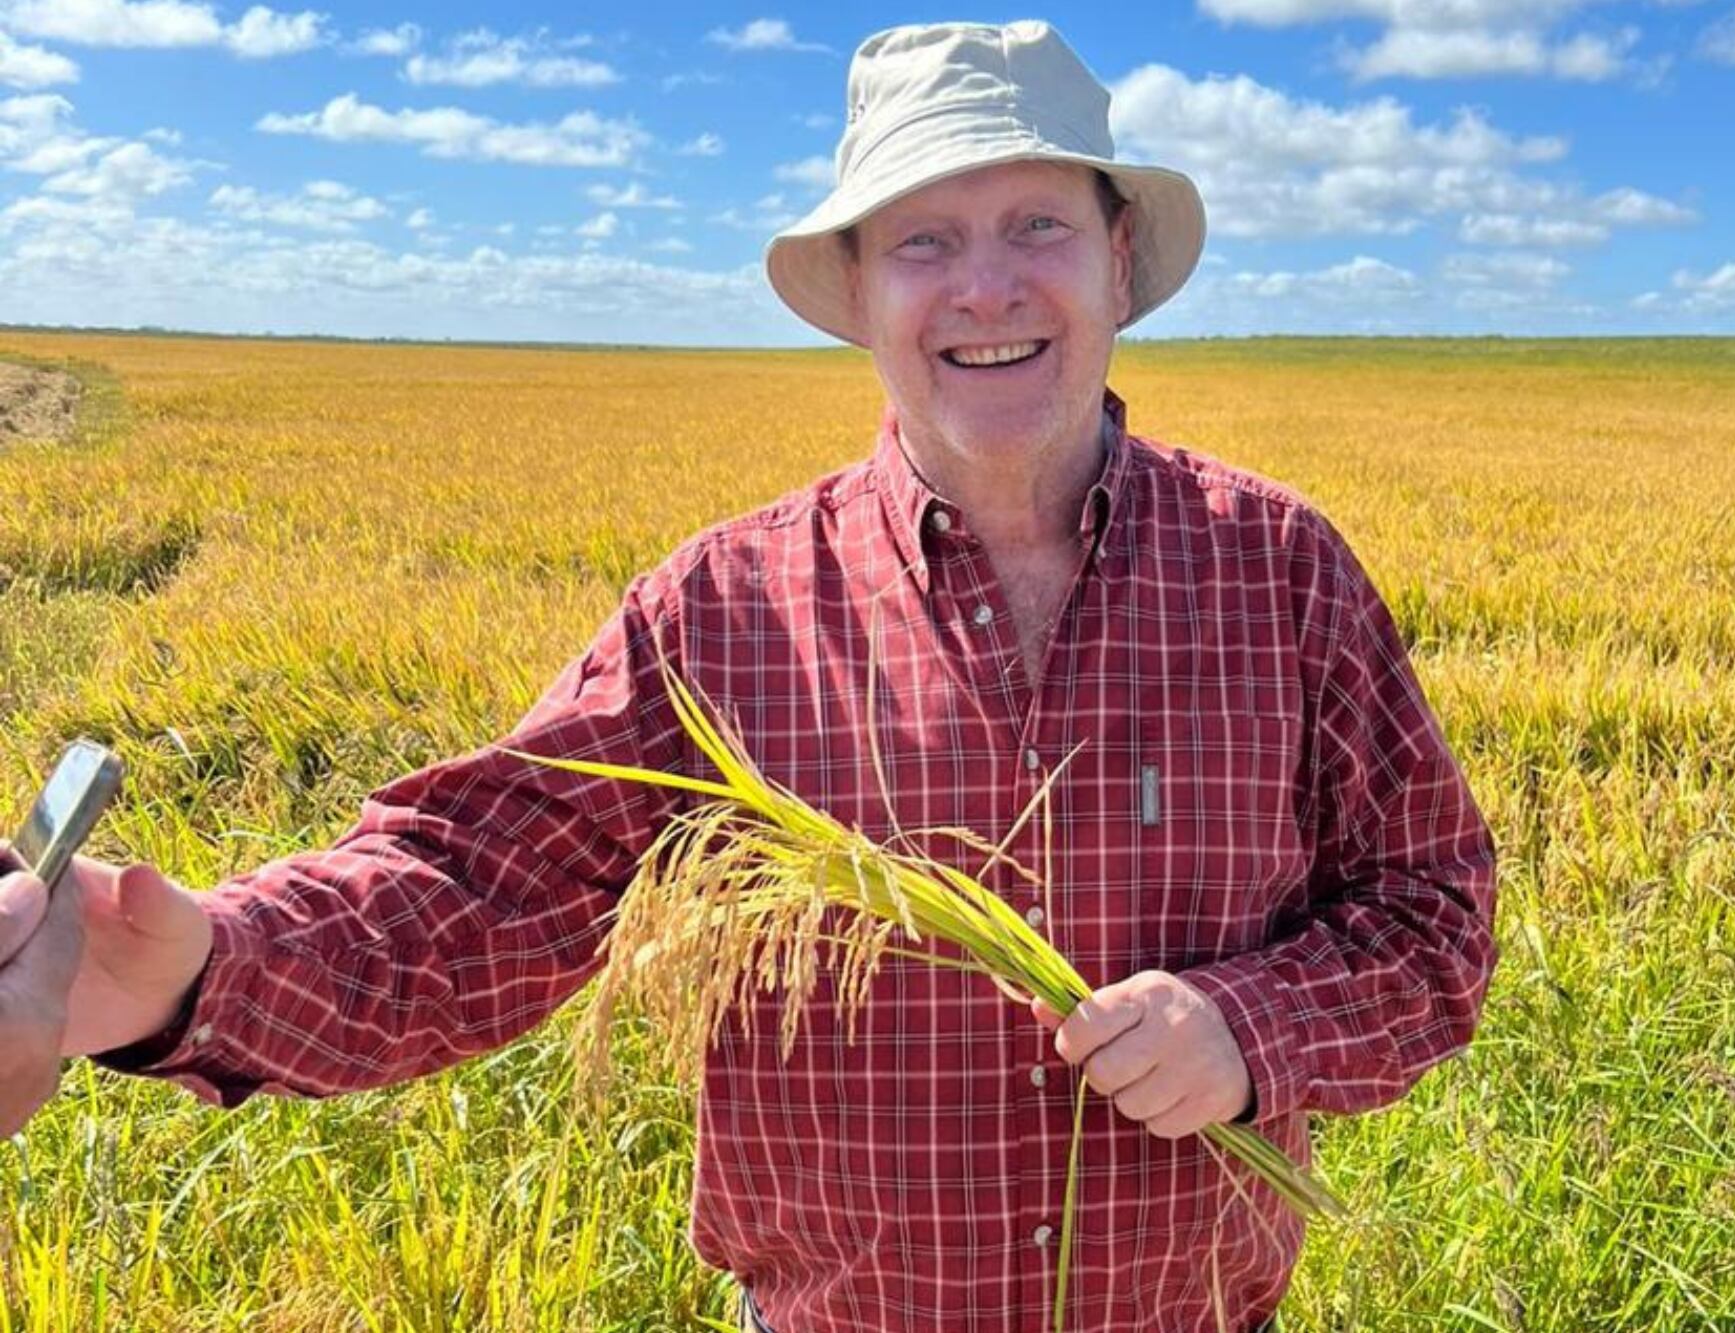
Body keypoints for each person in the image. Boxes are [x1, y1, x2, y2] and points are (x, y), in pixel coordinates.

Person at [0, 20, 1497, 1333]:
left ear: (1117, 259)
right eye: (920, 239)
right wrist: (201, 966)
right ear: (857, 291)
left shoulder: (1279, 572)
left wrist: (1253, 1030)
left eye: (1035, 223)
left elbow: (1435, 918)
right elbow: (474, 892)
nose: (984, 287)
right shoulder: (721, 616)